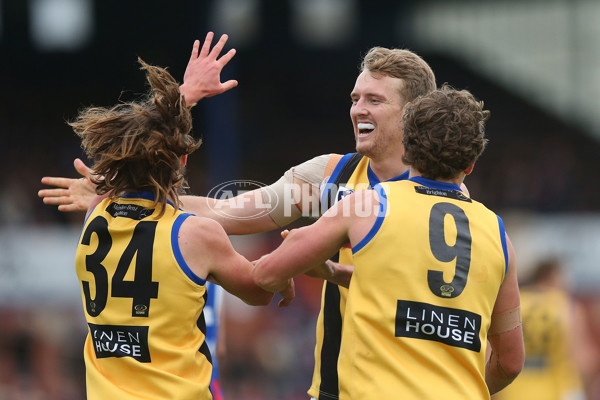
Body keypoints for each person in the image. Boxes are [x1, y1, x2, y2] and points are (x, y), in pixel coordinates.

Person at [39, 44, 463, 399]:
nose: (357, 110)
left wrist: (332, 272)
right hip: (338, 390)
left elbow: (437, 302)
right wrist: (129, 192)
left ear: (414, 113)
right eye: (355, 98)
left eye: (374, 100)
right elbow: (231, 211)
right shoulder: (330, 178)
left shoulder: (446, 199)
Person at [253, 85, 525, 399]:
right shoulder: (498, 235)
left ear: (406, 148)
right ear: (470, 164)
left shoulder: (368, 205)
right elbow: (510, 362)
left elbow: (266, 274)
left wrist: (301, 267)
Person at [70, 58, 291, 400]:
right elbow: (259, 291)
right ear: (184, 161)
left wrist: (183, 97)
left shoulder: (95, 215)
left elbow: (134, 149)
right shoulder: (197, 235)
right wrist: (286, 264)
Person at [494, 258, 593, 400]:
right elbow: (584, 360)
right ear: (550, 277)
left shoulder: (512, 304)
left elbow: (492, 355)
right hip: (560, 391)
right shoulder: (567, 307)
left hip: (512, 393)